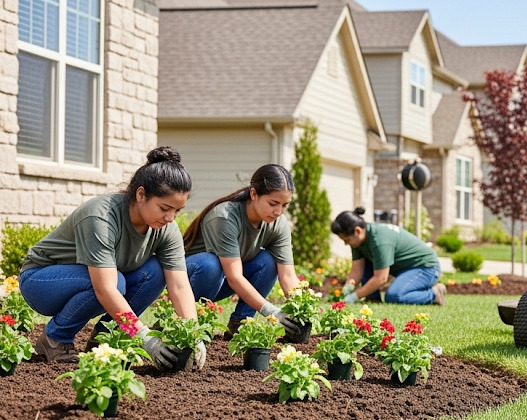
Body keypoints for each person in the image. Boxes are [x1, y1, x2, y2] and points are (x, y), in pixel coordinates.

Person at [19, 147, 205, 369]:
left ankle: (106, 339)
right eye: (165, 208)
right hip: (41, 281)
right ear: (141, 195)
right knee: (115, 282)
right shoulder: (101, 216)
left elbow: (180, 285)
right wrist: (143, 337)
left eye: (177, 210)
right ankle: (55, 339)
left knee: (156, 271)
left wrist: (193, 334)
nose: (170, 217)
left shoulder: (166, 228)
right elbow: (105, 288)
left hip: (99, 280)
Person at [182, 164, 302, 338]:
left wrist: (302, 310)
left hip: (222, 280)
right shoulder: (225, 217)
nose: (278, 211)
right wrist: (271, 311)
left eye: (285, 205)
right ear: (254, 194)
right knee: (211, 265)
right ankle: (190, 320)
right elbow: (235, 277)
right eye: (273, 203)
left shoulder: (278, 224)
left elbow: (288, 276)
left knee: (268, 261)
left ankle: (241, 324)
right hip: (190, 280)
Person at [331, 207, 445, 305]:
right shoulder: (358, 241)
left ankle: (434, 294)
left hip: (425, 268)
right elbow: (357, 271)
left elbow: (381, 278)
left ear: (358, 231)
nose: (346, 243)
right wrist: (347, 288)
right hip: (405, 269)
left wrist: (355, 296)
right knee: (366, 262)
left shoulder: (379, 240)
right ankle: (372, 298)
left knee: (395, 296)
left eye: (347, 240)